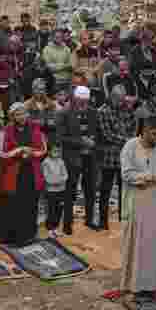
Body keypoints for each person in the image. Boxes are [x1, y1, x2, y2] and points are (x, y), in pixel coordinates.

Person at [119, 116, 156, 301]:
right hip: (137, 200)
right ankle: (134, 285)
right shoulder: (130, 146)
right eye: (154, 133)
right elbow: (126, 173)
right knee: (137, 244)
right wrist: (145, 177)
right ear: (144, 131)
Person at [0, 102, 47, 246]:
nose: (22, 116)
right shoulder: (5, 131)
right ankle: (8, 237)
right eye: (18, 114)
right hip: (13, 172)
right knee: (11, 204)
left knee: (30, 203)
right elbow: (2, 153)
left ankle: (28, 235)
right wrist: (17, 152)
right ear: (12, 116)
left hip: (30, 171)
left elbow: (43, 149)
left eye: (24, 113)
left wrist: (31, 153)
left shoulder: (35, 129)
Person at [58, 86, 99, 233]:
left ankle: (89, 220)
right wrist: (82, 141)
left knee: (90, 190)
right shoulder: (64, 113)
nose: (83, 104)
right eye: (80, 101)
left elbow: (97, 132)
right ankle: (67, 224)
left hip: (90, 157)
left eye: (85, 101)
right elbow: (61, 138)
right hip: (73, 157)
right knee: (70, 191)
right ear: (74, 99)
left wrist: (94, 140)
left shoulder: (94, 112)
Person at [96, 84, 138, 231]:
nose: (121, 103)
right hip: (109, 157)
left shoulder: (128, 109)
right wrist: (127, 140)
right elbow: (107, 135)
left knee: (125, 190)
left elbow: (134, 126)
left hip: (125, 157)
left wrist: (130, 139)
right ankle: (102, 221)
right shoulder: (102, 111)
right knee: (105, 190)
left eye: (123, 100)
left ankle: (124, 218)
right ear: (112, 97)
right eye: (119, 100)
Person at [41, 144, 68, 238]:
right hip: (51, 191)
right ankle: (50, 229)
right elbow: (47, 178)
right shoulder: (45, 162)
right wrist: (57, 181)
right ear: (49, 151)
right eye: (54, 151)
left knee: (59, 209)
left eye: (58, 151)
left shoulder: (61, 161)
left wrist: (61, 181)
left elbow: (65, 174)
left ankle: (56, 228)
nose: (56, 153)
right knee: (51, 210)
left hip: (61, 190)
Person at [41, 29, 72, 94]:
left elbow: (71, 65)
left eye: (60, 37)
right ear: (52, 37)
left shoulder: (67, 49)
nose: (59, 38)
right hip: (54, 81)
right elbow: (50, 67)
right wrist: (64, 66)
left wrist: (57, 66)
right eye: (56, 37)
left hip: (67, 80)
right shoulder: (46, 49)